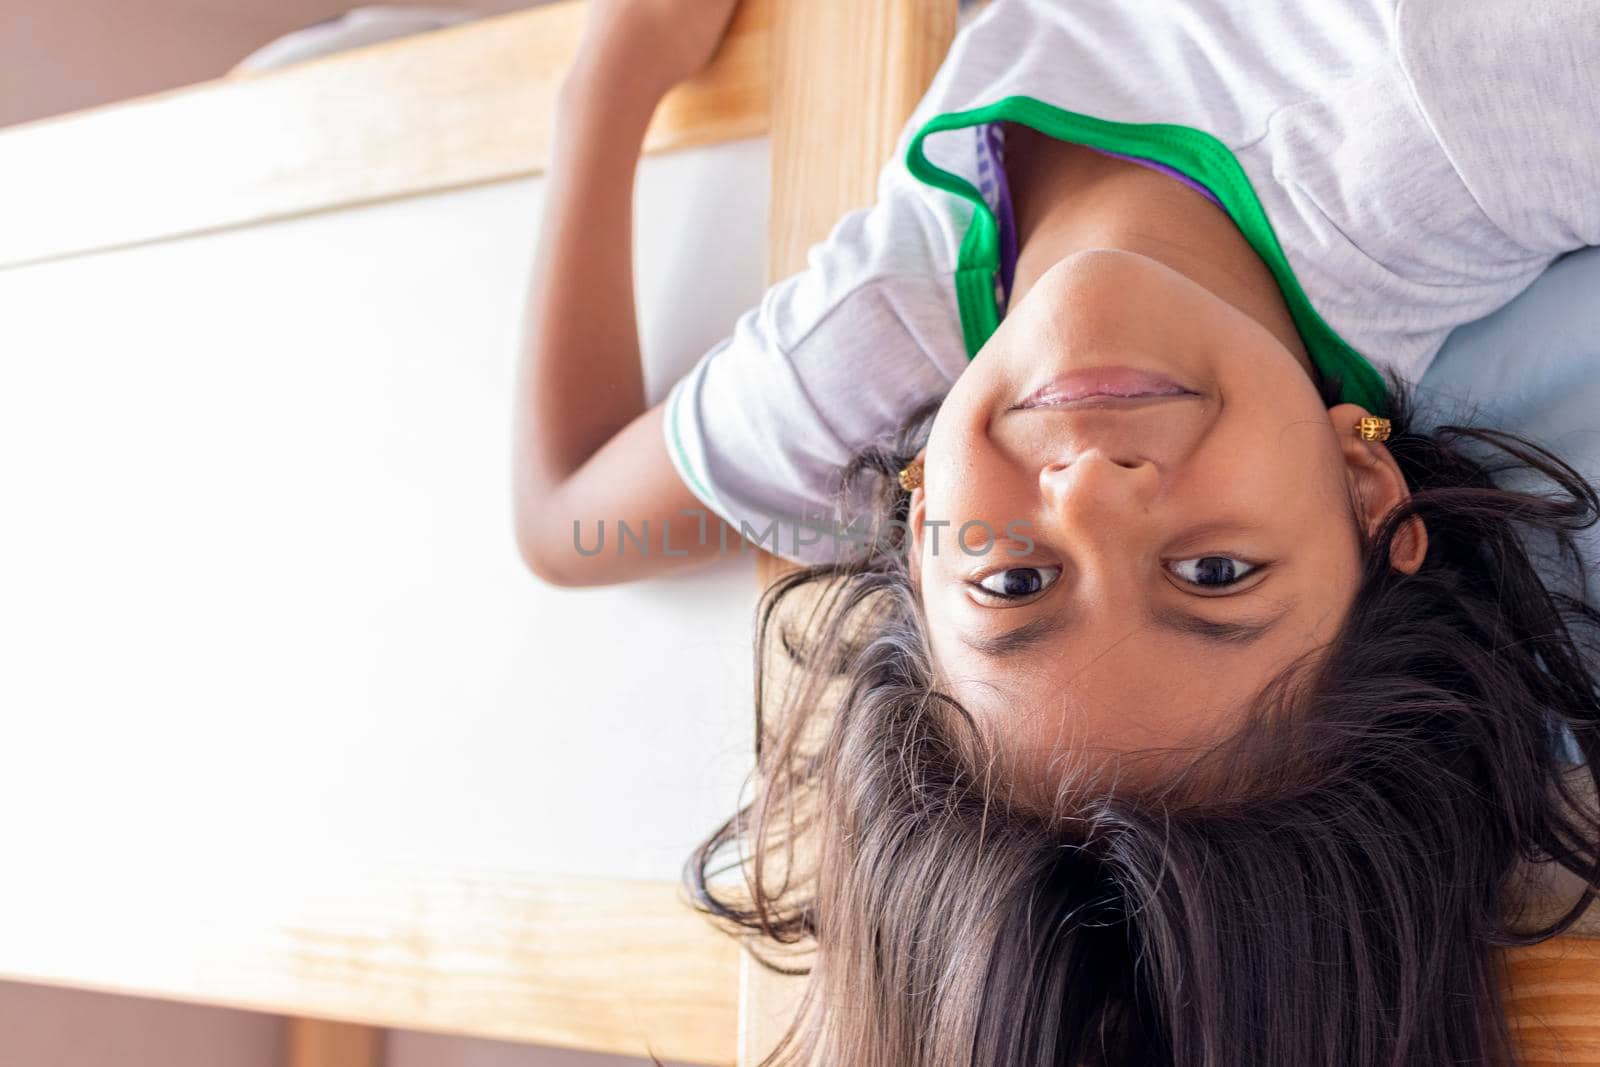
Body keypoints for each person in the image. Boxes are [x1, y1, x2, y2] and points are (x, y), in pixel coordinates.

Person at [511, 0, 1600, 1062]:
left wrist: (618, 69)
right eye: (1213, 572)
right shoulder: (1460, 109)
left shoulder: (856, 359)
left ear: (915, 525)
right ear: (1370, 495)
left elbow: (568, 519)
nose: (1088, 491)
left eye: (1016, 582)